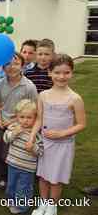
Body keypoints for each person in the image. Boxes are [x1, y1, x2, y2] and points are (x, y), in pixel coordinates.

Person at [29, 54, 86, 215]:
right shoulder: (43, 95)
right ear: (50, 72)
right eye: (57, 72)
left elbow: (81, 124)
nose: (62, 76)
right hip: (45, 143)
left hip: (63, 145)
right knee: (43, 176)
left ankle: (52, 206)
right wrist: (32, 136)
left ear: (72, 73)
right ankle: (42, 203)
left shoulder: (75, 98)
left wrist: (62, 133)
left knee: (56, 177)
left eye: (66, 72)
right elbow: (39, 119)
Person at [0, 53, 38, 189]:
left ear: (22, 66)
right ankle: (2, 176)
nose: (11, 67)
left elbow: (33, 109)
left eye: (16, 63)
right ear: (3, 67)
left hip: (18, 126)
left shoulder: (29, 87)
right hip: (1, 123)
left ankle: (12, 179)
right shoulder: (0, 83)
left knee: (11, 154)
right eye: (7, 64)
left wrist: (13, 121)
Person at [3, 99, 43, 214]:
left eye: (29, 118)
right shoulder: (13, 127)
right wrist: (15, 133)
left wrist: (33, 148)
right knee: (11, 184)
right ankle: (11, 200)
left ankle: (22, 207)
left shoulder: (35, 134)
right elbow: (6, 139)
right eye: (22, 117)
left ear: (35, 118)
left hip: (27, 167)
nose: (25, 121)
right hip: (12, 163)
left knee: (23, 188)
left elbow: (40, 151)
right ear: (17, 117)